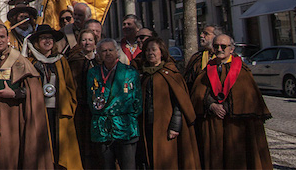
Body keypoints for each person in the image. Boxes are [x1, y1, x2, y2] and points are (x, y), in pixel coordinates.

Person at [189, 33, 272, 169]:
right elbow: (197, 93)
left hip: (236, 125)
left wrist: (227, 106)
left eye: (224, 46)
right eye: (216, 46)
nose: (220, 49)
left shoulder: (242, 70)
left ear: (231, 49)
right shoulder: (207, 69)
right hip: (213, 124)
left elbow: (247, 95)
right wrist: (211, 105)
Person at [0, 24, 54, 169]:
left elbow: (33, 90)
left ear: (7, 38)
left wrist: (14, 94)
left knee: (10, 156)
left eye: (2, 37)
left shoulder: (18, 59)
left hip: (11, 116)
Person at [139, 37, 200, 170]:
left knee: (167, 160)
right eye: (147, 50)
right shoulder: (144, 75)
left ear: (162, 52)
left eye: (154, 50)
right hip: (148, 125)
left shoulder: (171, 73)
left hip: (166, 126)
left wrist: (175, 126)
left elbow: (179, 102)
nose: (150, 53)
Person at [27, 24, 82, 170]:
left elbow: (70, 86)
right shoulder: (31, 62)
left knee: (61, 151)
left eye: (50, 38)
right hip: (39, 113)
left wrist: (69, 105)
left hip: (59, 111)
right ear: (37, 42)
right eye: (43, 38)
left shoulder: (60, 61)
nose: (47, 41)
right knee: (44, 151)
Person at [88, 38, 141, 170]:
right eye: (104, 51)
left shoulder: (130, 72)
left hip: (125, 127)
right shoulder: (93, 73)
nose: (108, 53)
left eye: (111, 50)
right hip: (102, 128)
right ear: (98, 54)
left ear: (117, 52)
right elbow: (91, 99)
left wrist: (130, 116)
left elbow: (137, 100)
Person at [66, 29, 101, 169]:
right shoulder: (74, 60)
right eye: (84, 40)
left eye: (90, 40)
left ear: (95, 43)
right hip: (80, 107)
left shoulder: (100, 61)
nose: (87, 43)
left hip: (97, 109)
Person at [185, 25, 219, 89]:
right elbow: (188, 80)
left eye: (206, 34)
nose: (201, 36)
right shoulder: (197, 57)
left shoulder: (225, 57)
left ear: (216, 37)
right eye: (202, 33)